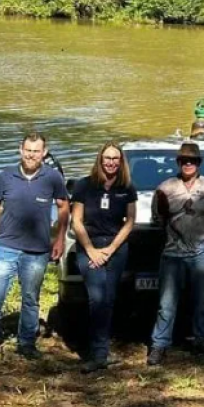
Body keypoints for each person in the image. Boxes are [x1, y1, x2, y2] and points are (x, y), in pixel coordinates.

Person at [0, 132, 69, 359]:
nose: (31, 155)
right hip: (4, 247)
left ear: (44, 153)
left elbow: (63, 207)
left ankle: (26, 343)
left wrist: (59, 239)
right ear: (21, 150)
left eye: (36, 151)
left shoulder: (52, 177)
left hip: (36, 250)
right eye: (28, 150)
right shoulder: (6, 175)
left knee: (30, 298)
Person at [147, 142, 204, 366]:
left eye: (192, 160)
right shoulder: (165, 189)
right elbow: (158, 219)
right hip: (172, 253)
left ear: (199, 163)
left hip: (202, 252)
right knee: (166, 303)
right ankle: (159, 344)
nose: (188, 164)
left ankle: (202, 338)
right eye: (184, 160)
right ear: (178, 162)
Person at [71, 141, 137, 373]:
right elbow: (76, 221)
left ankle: (101, 352)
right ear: (100, 160)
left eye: (115, 159)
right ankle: (97, 352)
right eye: (107, 158)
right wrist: (91, 250)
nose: (111, 163)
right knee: (96, 297)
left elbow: (130, 222)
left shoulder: (127, 187)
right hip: (89, 246)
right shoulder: (84, 186)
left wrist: (110, 250)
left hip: (116, 249)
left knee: (108, 299)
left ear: (121, 162)